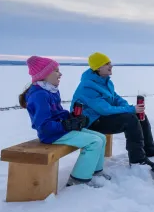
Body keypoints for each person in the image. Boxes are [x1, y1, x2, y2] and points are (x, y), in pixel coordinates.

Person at [70, 52, 154, 172]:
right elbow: (105, 109)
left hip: (100, 117)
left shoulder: (105, 81)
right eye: (107, 64)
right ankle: (137, 160)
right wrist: (131, 109)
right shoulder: (87, 87)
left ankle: (149, 149)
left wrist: (130, 108)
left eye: (110, 63)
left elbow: (116, 98)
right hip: (90, 122)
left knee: (138, 115)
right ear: (98, 68)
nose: (111, 66)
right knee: (130, 120)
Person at [19, 56, 110, 187]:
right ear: (44, 75)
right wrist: (66, 125)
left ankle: (95, 171)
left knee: (100, 137)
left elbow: (59, 113)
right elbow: (43, 126)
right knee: (94, 142)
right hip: (51, 135)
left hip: (60, 130)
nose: (60, 74)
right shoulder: (39, 95)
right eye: (56, 70)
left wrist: (72, 118)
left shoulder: (50, 90)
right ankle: (78, 179)